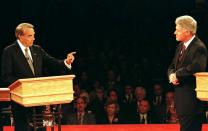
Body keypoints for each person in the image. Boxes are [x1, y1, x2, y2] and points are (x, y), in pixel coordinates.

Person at [1, 23, 76, 131]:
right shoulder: (9, 51)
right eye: (30, 36)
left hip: (37, 99)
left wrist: (66, 62)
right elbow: (6, 76)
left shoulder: (37, 50)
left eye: (33, 35)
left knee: (40, 128)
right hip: (20, 101)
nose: (34, 38)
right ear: (20, 36)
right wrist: (24, 85)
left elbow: (52, 63)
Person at [168, 15, 207, 131]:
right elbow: (172, 66)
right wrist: (171, 75)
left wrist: (177, 75)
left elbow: (197, 67)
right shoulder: (180, 46)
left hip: (192, 103)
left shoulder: (199, 47)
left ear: (187, 31)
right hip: (182, 101)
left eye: (177, 30)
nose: (175, 32)